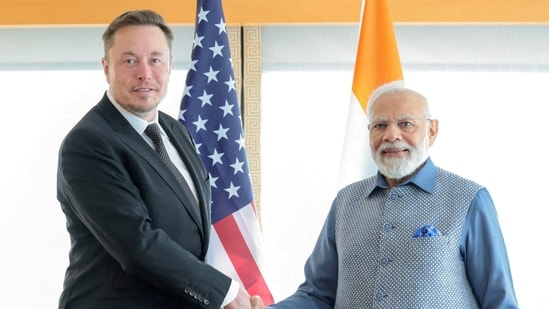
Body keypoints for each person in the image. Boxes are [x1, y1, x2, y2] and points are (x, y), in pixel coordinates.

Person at [57, 9, 262, 309]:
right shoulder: (88, 143)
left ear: (169, 66)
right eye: (129, 60)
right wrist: (225, 294)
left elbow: (192, 236)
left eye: (155, 60)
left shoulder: (175, 131)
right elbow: (137, 244)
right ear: (106, 68)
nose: (144, 72)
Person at [269, 81, 519, 308]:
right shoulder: (346, 202)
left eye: (405, 124)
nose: (391, 135)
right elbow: (318, 295)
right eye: (380, 125)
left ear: (431, 131)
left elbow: (499, 301)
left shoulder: (469, 199)